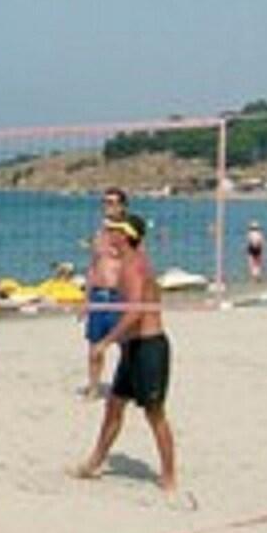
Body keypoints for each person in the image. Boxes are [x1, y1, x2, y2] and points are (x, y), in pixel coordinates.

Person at [69, 214, 181, 501]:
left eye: (113, 232)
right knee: (114, 406)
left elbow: (135, 312)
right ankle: (94, 463)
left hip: (149, 347)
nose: (108, 236)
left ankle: (169, 477)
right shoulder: (128, 262)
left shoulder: (133, 266)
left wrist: (105, 342)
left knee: (154, 414)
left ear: (124, 236)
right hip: (133, 348)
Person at [80, 189, 130, 398]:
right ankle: (93, 386)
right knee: (94, 347)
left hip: (119, 296)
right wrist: (85, 299)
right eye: (105, 202)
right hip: (98, 296)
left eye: (112, 202)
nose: (107, 206)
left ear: (122, 207)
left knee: (126, 347)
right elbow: (93, 266)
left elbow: (138, 266)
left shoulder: (128, 234)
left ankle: (128, 387)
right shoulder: (99, 235)